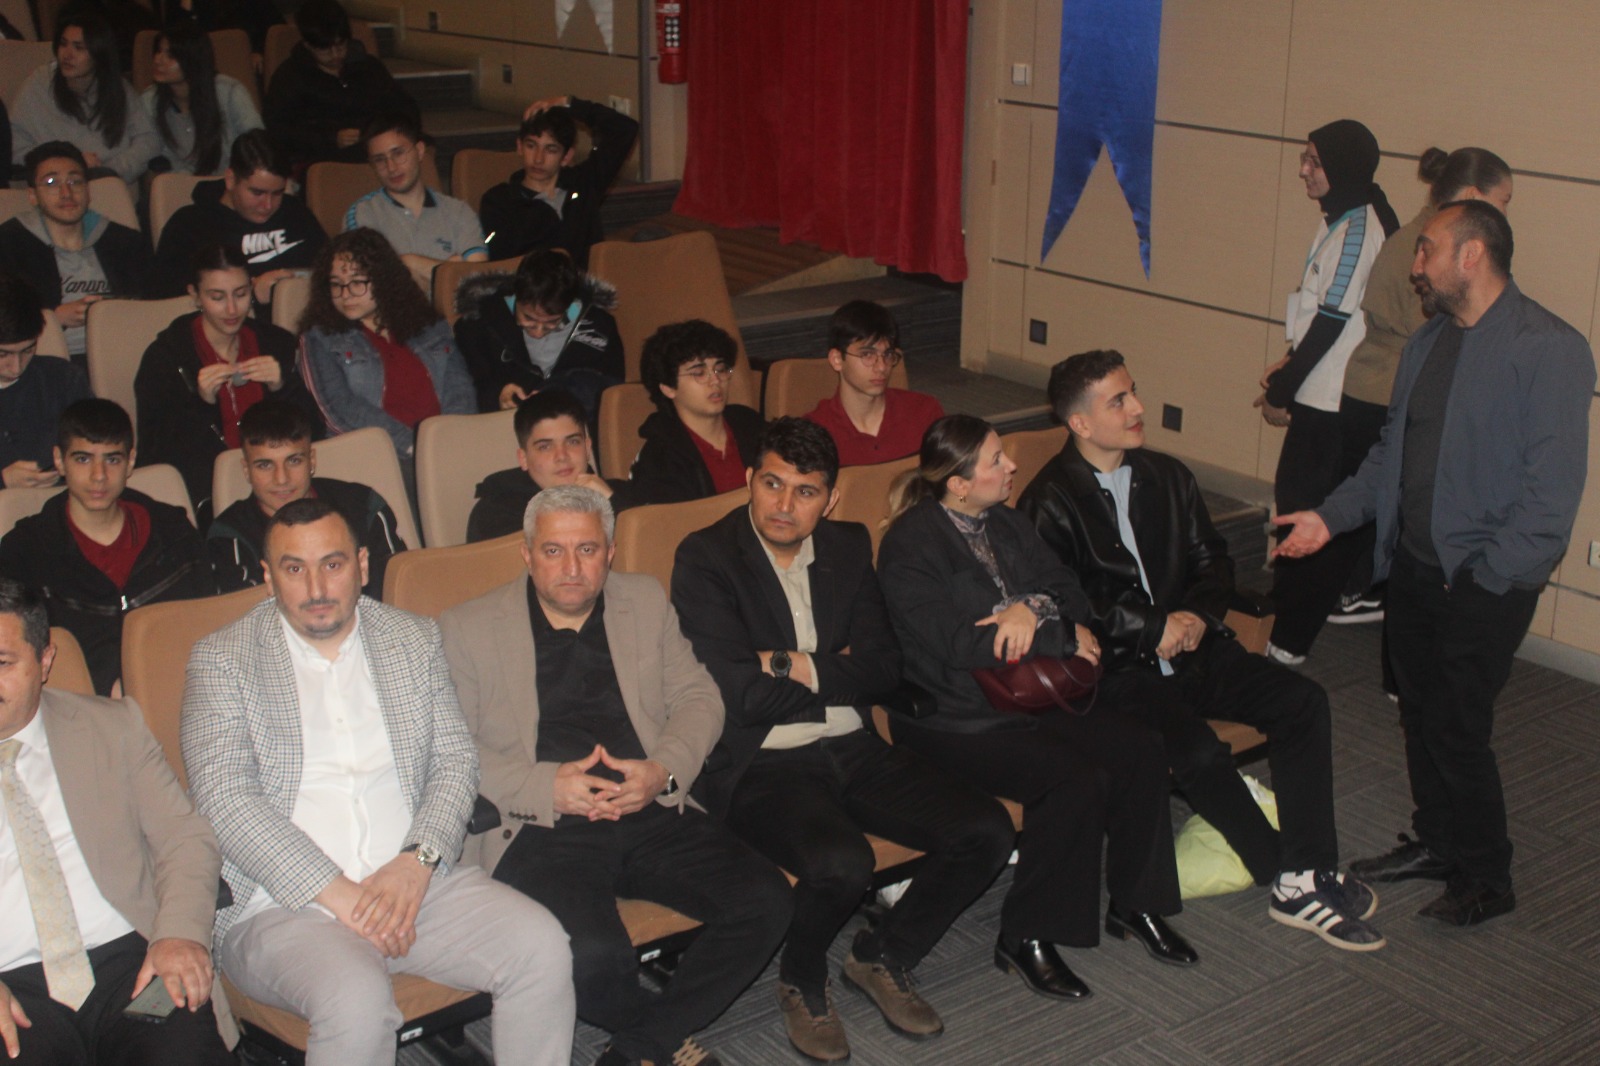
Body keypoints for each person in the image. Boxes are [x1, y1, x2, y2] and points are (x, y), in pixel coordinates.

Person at [1275, 201, 1594, 927]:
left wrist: (1486, 577)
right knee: (1419, 715)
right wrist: (1331, 517)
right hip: (1414, 567)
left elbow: (1551, 498)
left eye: (1427, 250)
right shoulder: (1428, 343)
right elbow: (1391, 456)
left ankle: (1487, 874)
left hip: (1483, 581)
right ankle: (1439, 841)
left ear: (1471, 255)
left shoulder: (1549, 349)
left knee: (1455, 725)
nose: (1415, 266)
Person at [181, 498, 575, 1065]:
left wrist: (416, 864)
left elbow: (454, 762)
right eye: (294, 568)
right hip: (283, 907)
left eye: (333, 564)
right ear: (267, 577)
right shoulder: (222, 660)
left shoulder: (412, 638)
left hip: (414, 885)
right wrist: (343, 896)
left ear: (363, 565)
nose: (317, 587)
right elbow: (226, 802)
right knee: (357, 1002)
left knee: (542, 948)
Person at [1017, 351, 1383, 950]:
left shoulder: (1168, 475)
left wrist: (1194, 616)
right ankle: (1282, 871)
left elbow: (1214, 561)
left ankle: (1307, 871)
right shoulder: (1048, 502)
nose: (1138, 408)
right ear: (1079, 423)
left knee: (1303, 701)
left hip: (1193, 647)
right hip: (1119, 670)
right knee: (1198, 751)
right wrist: (1149, 627)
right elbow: (1064, 603)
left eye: (1134, 392)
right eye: (1118, 401)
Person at [672, 419, 1013, 1061]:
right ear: (749, 480)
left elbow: (886, 669)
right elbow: (741, 697)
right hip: (762, 761)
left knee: (987, 830)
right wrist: (834, 672)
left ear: (830, 500)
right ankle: (802, 979)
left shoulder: (849, 546)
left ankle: (882, 954)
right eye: (772, 484)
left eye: (805, 492)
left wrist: (789, 664)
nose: (783, 504)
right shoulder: (705, 558)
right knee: (844, 863)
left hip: (855, 745)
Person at [441, 485, 788, 1066]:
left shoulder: (642, 600)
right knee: (592, 956)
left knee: (767, 901)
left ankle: (636, 1048)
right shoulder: (468, 627)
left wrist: (662, 771)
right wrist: (545, 787)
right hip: (542, 827)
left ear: (610, 552)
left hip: (646, 806)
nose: (571, 568)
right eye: (553, 551)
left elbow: (699, 696)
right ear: (527, 554)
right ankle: (655, 1036)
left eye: (587, 550)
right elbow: (452, 746)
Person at [877, 415, 1194, 1001]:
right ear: (958, 484)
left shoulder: (1007, 521)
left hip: (1033, 693)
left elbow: (1070, 592)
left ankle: (1137, 903)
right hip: (955, 716)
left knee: (1140, 747)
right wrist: (1056, 634)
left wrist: (1029, 608)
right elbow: (959, 644)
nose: (1012, 466)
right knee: (1073, 780)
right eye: (996, 461)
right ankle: (1026, 935)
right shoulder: (910, 546)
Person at [0, 579, 234, 1066]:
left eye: (2, 663)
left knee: (183, 1054)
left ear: (45, 660)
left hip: (132, 966)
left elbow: (185, 839)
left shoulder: (112, 727)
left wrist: (178, 933)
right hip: (12, 989)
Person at [1326, 147, 1513, 628]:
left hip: (1371, 384)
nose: (1418, 268)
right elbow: (1434, 334)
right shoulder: (1430, 255)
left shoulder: (1416, 235)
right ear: (1473, 197)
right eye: (1503, 201)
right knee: (1385, 506)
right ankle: (1348, 600)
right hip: (1384, 389)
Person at [1254, 119, 1399, 666]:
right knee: (1300, 502)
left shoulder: (1359, 230)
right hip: (1320, 391)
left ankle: (1287, 634)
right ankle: (1294, 608)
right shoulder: (1341, 219)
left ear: (1341, 165)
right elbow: (1317, 315)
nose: (1304, 170)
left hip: (1334, 403)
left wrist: (1282, 389)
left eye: (1313, 161)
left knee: (1308, 510)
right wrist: (1288, 367)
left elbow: (1331, 323)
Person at [0, 399, 213, 695]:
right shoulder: (24, 552)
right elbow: (14, 652)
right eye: (83, 459)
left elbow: (209, 619)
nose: (99, 475)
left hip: (180, 689)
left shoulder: (173, 532)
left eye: (112, 460)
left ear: (131, 462)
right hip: (74, 703)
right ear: (59, 460)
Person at [134, 244, 319, 516]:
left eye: (241, 294)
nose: (232, 309)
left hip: (281, 482)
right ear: (195, 296)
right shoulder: (166, 358)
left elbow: (315, 430)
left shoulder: (276, 343)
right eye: (217, 297)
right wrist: (202, 403)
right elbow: (157, 456)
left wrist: (283, 387)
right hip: (207, 494)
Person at [297, 228, 475, 463]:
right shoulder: (321, 337)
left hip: (444, 445)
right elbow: (338, 408)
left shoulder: (428, 325)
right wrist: (414, 446)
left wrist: (451, 437)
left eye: (357, 282)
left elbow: (459, 388)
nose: (346, 294)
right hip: (377, 455)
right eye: (336, 285)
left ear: (383, 280)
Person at [208, 399, 403, 597]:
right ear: (246, 470)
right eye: (265, 465)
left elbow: (401, 585)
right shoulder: (229, 537)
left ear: (312, 460)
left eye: (294, 461)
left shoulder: (363, 505)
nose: (281, 479)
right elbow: (244, 611)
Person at [0, 142, 148, 362]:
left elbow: (152, 305)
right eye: (52, 183)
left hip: (122, 350)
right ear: (32, 195)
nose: (66, 193)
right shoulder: (9, 243)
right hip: (43, 359)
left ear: (88, 191)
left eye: (75, 181)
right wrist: (55, 318)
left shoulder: (125, 241)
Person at [152, 130, 327, 306]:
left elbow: (328, 268)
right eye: (257, 193)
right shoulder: (189, 226)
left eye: (277, 193)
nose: (267, 205)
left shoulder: (295, 212)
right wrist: (251, 296)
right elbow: (168, 304)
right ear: (230, 179)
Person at [454, 248, 624, 415]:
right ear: (516, 297)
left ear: (569, 306)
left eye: (552, 322)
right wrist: (498, 396)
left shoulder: (599, 326)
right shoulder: (480, 324)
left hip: (577, 419)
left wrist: (563, 394)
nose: (538, 332)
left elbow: (612, 389)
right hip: (506, 423)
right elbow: (469, 387)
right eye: (528, 319)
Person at [479, 94, 639, 267]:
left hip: (586, 281)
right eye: (531, 146)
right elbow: (500, 263)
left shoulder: (583, 183)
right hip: (533, 282)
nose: (538, 159)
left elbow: (625, 129)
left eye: (551, 150)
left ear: (566, 157)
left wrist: (569, 103)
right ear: (520, 147)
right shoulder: (499, 201)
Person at [263, 0, 419, 169]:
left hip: (376, 144)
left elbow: (404, 106)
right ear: (308, 45)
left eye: (340, 46)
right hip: (322, 156)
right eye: (325, 50)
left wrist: (384, 131)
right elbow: (279, 130)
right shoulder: (290, 77)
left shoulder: (369, 67)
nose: (335, 55)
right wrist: (330, 138)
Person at [9, 11, 159, 185]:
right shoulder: (39, 84)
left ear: (98, 54)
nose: (67, 54)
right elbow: (14, 143)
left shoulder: (118, 88)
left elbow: (148, 140)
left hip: (110, 181)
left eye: (79, 48)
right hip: (55, 184)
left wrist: (112, 170)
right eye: (63, 44)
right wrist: (71, 162)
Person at [465, 388, 633, 543]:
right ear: (523, 458)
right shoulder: (495, 515)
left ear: (587, 448)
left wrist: (612, 503)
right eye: (545, 447)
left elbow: (641, 550)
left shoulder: (617, 496)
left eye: (573, 442)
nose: (562, 456)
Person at [345, 114, 486, 290]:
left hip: (454, 308)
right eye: (380, 160)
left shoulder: (459, 211)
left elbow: (478, 279)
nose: (391, 167)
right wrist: (449, 269)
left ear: (419, 151)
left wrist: (410, 263)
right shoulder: (363, 213)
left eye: (398, 153)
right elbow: (373, 284)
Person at [632, 320, 764, 505]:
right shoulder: (661, 457)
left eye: (720, 369)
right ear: (669, 388)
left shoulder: (750, 424)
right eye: (699, 373)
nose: (715, 380)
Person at [803, 300, 944, 467]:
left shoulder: (924, 411)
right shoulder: (814, 433)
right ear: (837, 359)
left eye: (888, 355)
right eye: (867, 355)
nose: (881, 367)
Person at [0, 272, 88, 489]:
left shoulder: (64, 379)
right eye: (3, 354)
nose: (16, 367)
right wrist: (4, 481)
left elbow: (97, 446)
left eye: (28, 350)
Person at [141, 20, 263, 176]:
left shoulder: (230, 91)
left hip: (231, 180)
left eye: (170, 55)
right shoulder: (149, 100)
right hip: (180, 184)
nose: (158, 60)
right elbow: (155, 154)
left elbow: (257, 144)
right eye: (158, 51)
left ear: (193, 59)